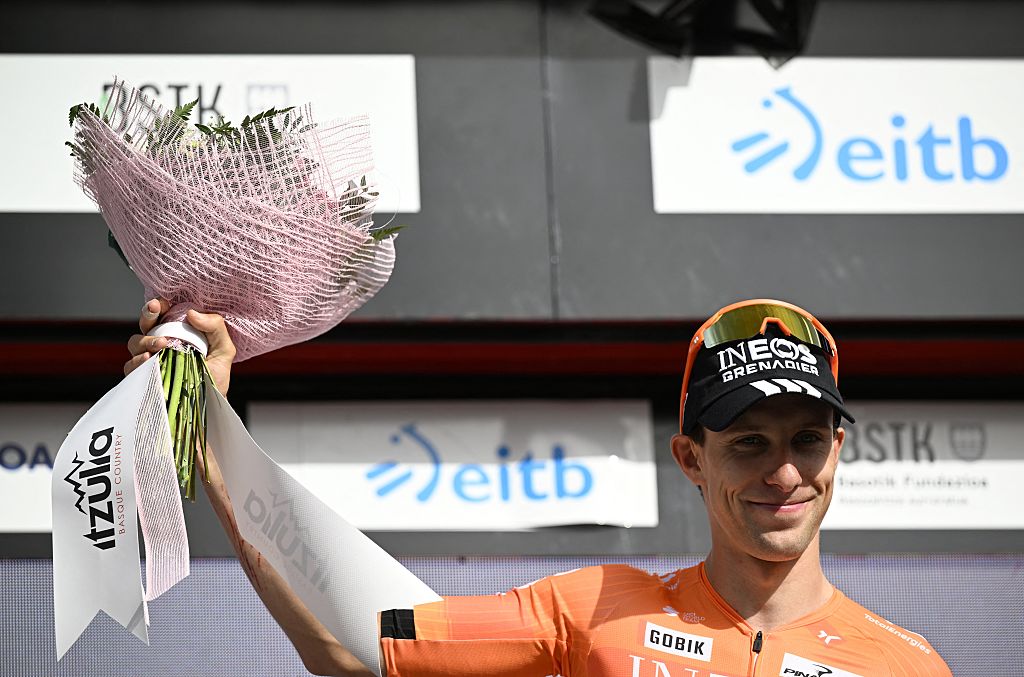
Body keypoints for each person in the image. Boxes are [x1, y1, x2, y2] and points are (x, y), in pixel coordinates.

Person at [126, 298, 952, 676]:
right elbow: (352, 645)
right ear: (691, 459)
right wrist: (211, 444)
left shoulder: (911, 667)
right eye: (747, 443)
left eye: (808, 439)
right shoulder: (590, 605)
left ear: (838, 449)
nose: (783, 473)